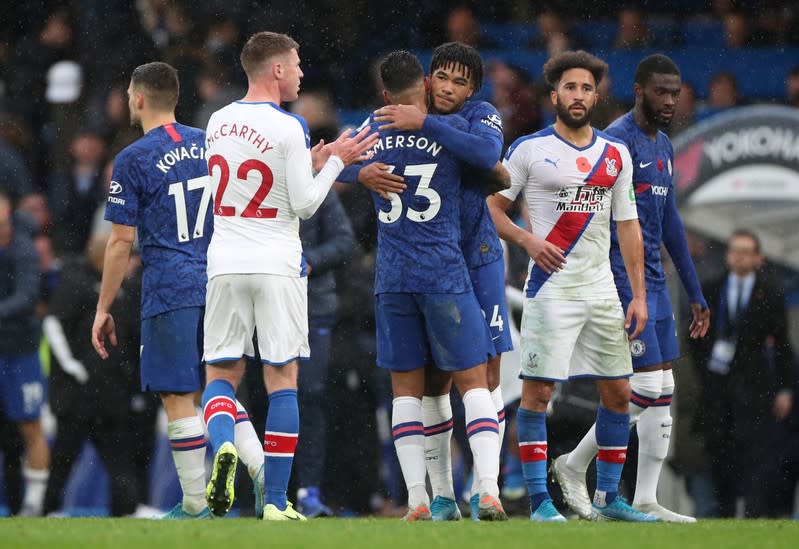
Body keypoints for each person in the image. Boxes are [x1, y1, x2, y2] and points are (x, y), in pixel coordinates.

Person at [199, 31, 375, 521]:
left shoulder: (217, 119)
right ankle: (275, 501)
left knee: (221, 375)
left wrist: (310, 161)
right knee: (282, 380)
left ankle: (225, 447)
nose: (300, 72)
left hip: (226, 260)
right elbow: (304, 203)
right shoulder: (290, 126)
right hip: (277, 263)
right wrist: (337, 159)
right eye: (296, 64)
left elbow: (247, 177)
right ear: (276, 70)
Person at [487, 50, 656, 522]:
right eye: (570, 88)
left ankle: (607, 497)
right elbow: (493, 207)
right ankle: (540, 501)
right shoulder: (527, 149)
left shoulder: (614, 155)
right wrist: (528, 240)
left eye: (585, 88)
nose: (578, 95)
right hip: (550, 290)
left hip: (602, 291)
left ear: (595, 96)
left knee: (619, 393)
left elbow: (629, 228)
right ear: (553, 96)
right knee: (538, 395)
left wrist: (638, 294)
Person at [91, 61, 264, 520]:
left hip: (171, 286)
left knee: (176, 392)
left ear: (140, 98)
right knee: (219, 389)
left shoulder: (132, 158)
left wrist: (104, 305)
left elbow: (121, 241)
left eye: (130, 93)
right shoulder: (211, 142)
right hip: (223, 279)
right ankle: (263, 470)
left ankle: (192, 505)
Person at [551, 54, 710, 523]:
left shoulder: (662, 145)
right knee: (640, 387)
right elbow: (587, 212)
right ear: (639, 91)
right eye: (661, 92)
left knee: (663, 386)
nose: (669, 101)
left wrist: (695, 290)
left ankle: (644, 498)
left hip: (656, 283)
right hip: (622, 281)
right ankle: (574, 465)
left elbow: (672, 222)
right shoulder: (615, 141)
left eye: (675, 93)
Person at [360, 49, 505, 522]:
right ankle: (447, 496)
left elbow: (492, 159)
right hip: (444, 269)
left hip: (470, 262)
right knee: (447, 386)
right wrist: (358, 172)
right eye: (439, 78)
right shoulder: (419, 125)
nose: (446, 88)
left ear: (473, 91)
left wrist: (353, 167)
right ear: (424, 82)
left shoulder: (474, 118)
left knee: (479, 378)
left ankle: (461, 491)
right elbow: (494, 167)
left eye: (457, 83)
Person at [690, 230, 795, 517]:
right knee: (718, 453)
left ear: (758, 258)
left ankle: (752, 513)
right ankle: (722, 512)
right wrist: (707, 370)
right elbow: (695, 338)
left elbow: (783, 344)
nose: (738, 256)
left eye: (745, 251)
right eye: (734, 250)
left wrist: (786, 389)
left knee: (754, 456)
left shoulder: (770, 293)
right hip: (717, 388)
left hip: (754, 387)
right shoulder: (711, 289)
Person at [43, 235, 141, 517]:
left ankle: (125, 514)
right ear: (104, 258)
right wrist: (71, 365)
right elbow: (52, 323)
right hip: (77, 394)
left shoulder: (126, 288)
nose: (131, 262)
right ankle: (49, 510)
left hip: (111, 393)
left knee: (120, 459)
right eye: (125, 256)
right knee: (63, 458)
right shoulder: (76, 282)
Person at [0, 190, 49, 516]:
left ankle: (34, 503)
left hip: (20, 351)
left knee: (30, 425)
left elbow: (28, 297)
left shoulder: (24, 250)